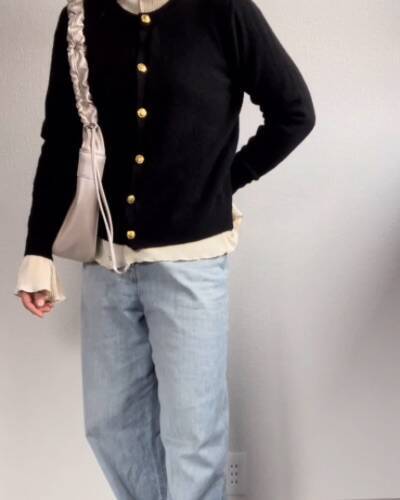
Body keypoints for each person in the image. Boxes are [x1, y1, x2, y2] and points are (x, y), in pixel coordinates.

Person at [14, 0, 316, 498]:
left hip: (191, 265)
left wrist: (223, 183)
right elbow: (62, 138)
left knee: (193, 436)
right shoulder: (81, 17)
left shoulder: (223, 11)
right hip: (106, 262)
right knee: (112, 426)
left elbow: (294, 112)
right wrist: (37, 249)